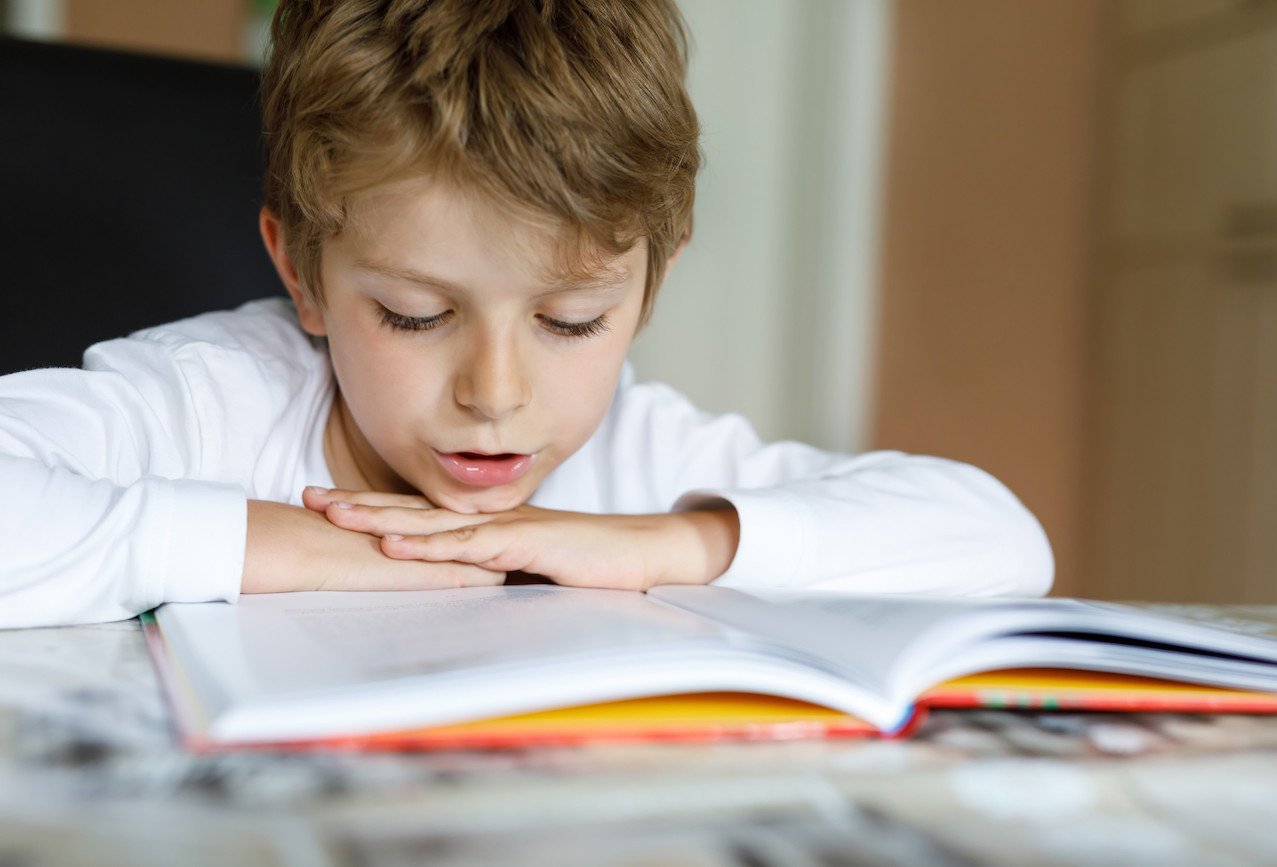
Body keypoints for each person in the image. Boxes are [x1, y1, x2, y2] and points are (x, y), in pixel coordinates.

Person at [0, 0, 1052, 629]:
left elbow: (996, 540)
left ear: (650, 287)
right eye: (415, 315)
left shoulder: (641, 458)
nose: (494, 396)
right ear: (306, 275)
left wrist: (665, 547)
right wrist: (322, 553)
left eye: (572, 320)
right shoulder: (203, 408)